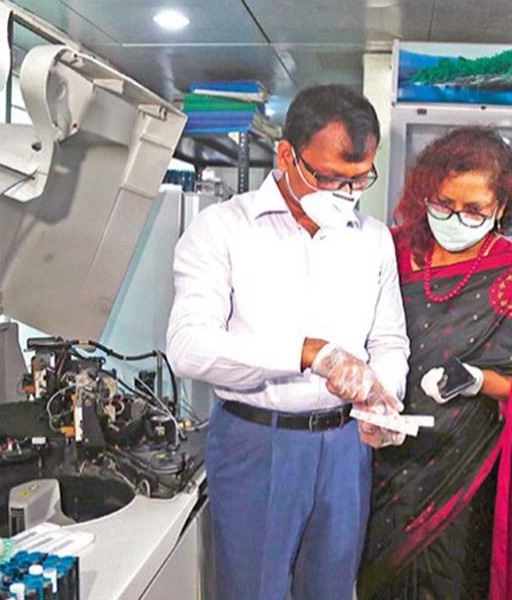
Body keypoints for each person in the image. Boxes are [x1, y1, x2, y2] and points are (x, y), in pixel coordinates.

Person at [165, 84, 410, 600]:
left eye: (359, 179)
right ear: (285, 155)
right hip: (258, 441)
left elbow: (388, 338)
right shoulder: (223, 230)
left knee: (333, 589)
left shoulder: (372, 238)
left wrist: (381, 398)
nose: (345, 194)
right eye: (328, 178)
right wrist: (307, 353)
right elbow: (188, 345)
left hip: (345, 448)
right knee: (254, 590)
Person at [358, 127, 512, 599]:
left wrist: (477, 380)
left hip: (463, 479)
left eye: (474, 210)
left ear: (501, 211)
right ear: (424, 195)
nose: (456, 218)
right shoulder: (391, 253)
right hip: (378, 465)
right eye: (444, 204)